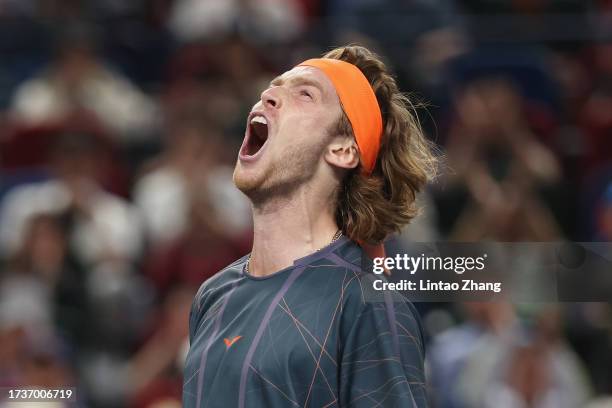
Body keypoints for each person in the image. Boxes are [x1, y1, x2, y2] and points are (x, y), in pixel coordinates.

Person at [182, 45, 436, 407]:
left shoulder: (368, 306)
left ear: (344, 149)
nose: (268, 96)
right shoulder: (213, 296)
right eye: (272, 87)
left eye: (304, 94)